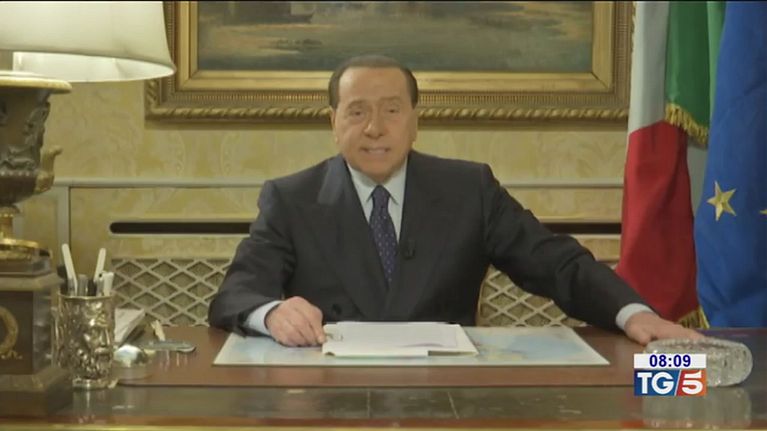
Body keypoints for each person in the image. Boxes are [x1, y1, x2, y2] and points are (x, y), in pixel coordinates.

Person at [208, 55, 702, 347]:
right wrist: (271, 314)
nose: (375, 128)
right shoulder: (291, 199)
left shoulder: (468, 190)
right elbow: (236, 294)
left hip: (448, 397)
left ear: (414, 121)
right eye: (356, 112)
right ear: (332, 123)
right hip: (329, 400)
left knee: (674, 394)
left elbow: (556, 264)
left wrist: (633, 313)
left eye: (392, 110)